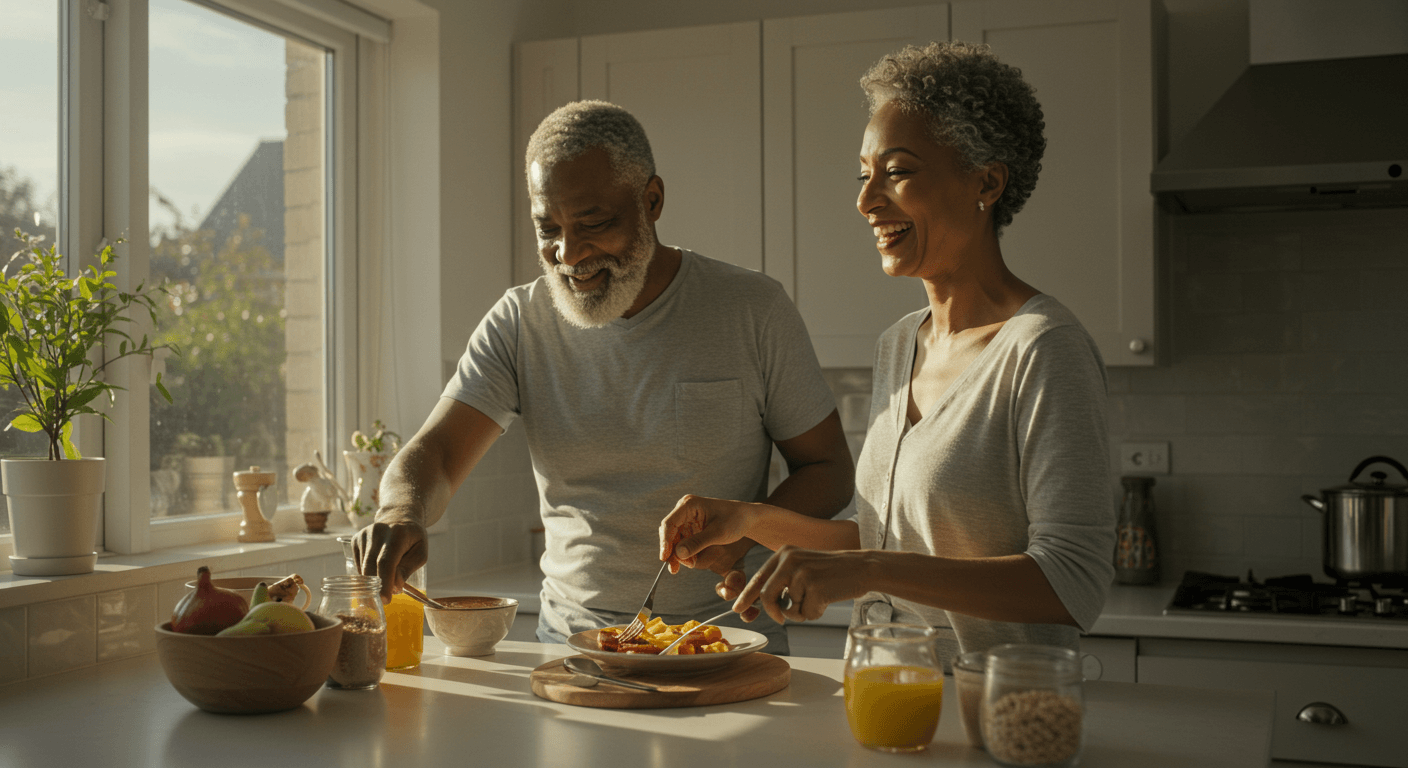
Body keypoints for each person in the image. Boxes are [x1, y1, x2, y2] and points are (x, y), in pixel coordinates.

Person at [659, 42, 1115, 664]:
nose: (867, 199)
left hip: (992, 717)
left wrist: (870, 568)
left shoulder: (1043, 350)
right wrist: (747, 522)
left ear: (987, 181)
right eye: (864, 174)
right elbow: (887, 542)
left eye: (896, 172)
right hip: (884, 702)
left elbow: (1073, 583)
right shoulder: (901, 343)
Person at [353, 100, 854, 653]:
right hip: (574, 647)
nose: (569, 254)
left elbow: (829, 468)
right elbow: (438, 453)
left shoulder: (752, 309)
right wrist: (401, 512)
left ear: (652, 201)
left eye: (594, 224)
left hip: (728, 643)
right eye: (549, 229)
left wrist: (745, 534)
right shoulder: (521, 321)